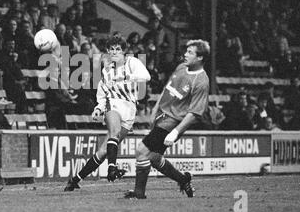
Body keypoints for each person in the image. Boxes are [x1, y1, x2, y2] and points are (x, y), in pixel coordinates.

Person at [124, 39, 210, 199]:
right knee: (155, 158)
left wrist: (175, 132)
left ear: (200, 58)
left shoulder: (202, 82)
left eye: (190, 52)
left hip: (172, 123)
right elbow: (167, 88)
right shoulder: (181, 67)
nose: (185, 54)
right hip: (161, 116)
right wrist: (155, 108)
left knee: (141, 151)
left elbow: (194, 113)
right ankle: (184, 180)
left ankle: (139, 194)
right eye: (187, 51)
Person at [64, 36, 151, 191]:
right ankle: (112, 169)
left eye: (118, 49)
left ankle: (75, 179)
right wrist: (98, 108)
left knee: (104, 150)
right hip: (113, 104)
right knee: (114, 132)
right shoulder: (106, 70)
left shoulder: (132, 63)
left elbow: (146, 76)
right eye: (111, 49)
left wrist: (127, 76)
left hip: (129, 109)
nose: (114, 52)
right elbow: (103, 93)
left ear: (124, 51)